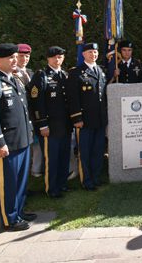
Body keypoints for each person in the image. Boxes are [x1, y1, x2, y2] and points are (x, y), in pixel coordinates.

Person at [0, 43, 35, 231]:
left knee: (20, 181)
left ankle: (19, 210)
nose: (15, 61)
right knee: (7, 183)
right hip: (6, 144)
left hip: (22, 139)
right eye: (10, 58)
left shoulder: (16, 79)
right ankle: (9, 218)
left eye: (15, 57)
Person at [28, 46, 71, 198]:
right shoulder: (42, 76)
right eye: (54, 57)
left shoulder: (65, 75)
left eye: (60, 57)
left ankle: (62, 184)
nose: (57, 59)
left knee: (64, 156)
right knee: (52, 159)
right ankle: (52, 188)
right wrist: (42, 124)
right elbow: (36, 103)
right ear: (48, 58)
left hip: (65, 126)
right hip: (50, 127)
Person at [67, 43, 107, 191]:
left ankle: (96, 177)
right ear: (83, 54)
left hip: (100, 119)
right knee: (85, 151)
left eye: (95, 52)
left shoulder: (101, 71)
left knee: (98, 150)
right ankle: (86, 180)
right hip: (84, 121)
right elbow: (73, 98)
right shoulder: (76, 73)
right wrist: (77, 118)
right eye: (90, 52)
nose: (93, 55)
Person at [14, 43, 42, 178]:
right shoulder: (12, 74)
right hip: (22, 115)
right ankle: (25, 171)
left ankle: (35, 169)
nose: (24, 59)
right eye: (21, 56)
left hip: (34, 113)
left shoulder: (31, 73)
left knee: (36, 144)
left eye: (27, 56)